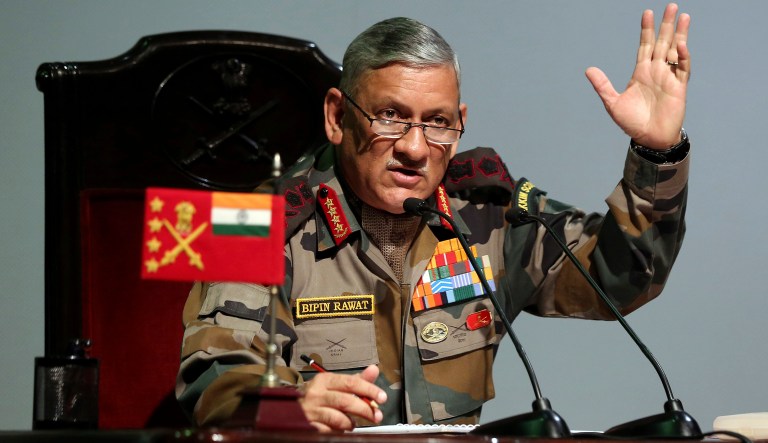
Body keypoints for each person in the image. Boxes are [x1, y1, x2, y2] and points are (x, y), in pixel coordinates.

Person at [176, 3, 691, 432]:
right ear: (337, 117)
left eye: (437, 123)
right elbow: (216, 379)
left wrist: (656, 153)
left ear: (460, 124)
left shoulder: (488, 215)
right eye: (390, 116)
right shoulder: (256, 225)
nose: (416, 148)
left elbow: (622, 276)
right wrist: (288, 409)